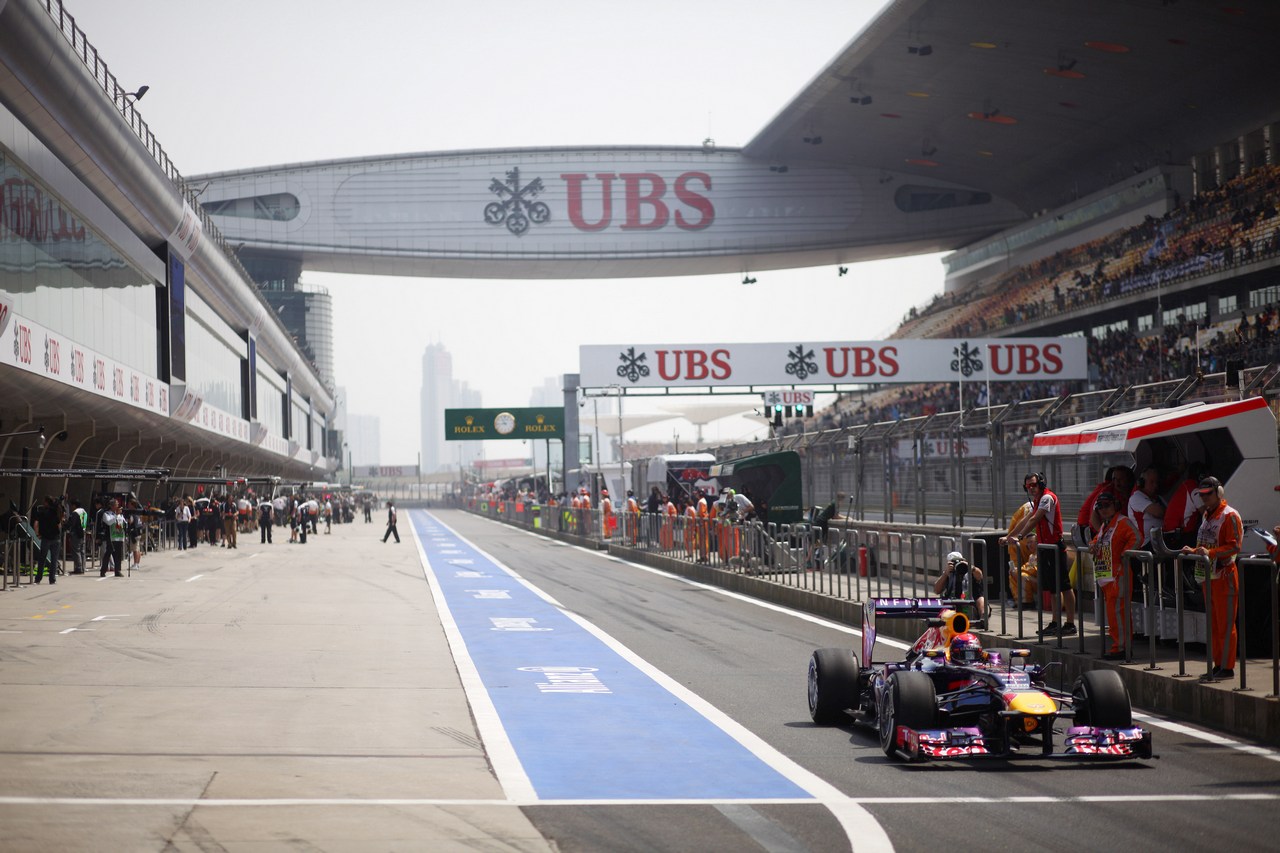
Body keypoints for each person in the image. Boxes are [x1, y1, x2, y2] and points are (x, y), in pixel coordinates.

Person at [1181, 476, 1243, 678]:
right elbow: (1206, 543)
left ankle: (1227, 667)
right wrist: (1193, 550)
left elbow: (1234, 546)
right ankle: (1218, 663)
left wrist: (1211, 554)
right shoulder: (1207, 515)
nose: (1204, 498)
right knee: (1214, 624)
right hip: (1208, 576)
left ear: (1218, 493)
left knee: (1225, 624)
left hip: (1224, 576)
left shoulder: (1230, 515)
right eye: (1202, 495)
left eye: (1208, 494)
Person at [1002, 472, 1075, 636]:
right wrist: (1008, 537)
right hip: (1045, 548)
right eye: (1028, 486)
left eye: (1034, 485)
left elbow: (1034, 520)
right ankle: (1056, 622)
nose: (1031, 489)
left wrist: (1019, 537)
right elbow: (1025, 519)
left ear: (1041, 483)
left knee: (1064, 585)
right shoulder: (1037, 500)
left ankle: (1070, 623)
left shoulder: (1047, 498)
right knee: (1053, 588)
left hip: (1055, 546)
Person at [1090, 489, 1138, 659]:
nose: (1103, 509)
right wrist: (1093, 544)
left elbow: (1137, 538)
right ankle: (1119, 646)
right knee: (1113, 613)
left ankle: (1122, 648)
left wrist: (1125, 553)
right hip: (1106, 577)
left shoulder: (1123, 522)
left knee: (1119, 613)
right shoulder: (1106, 524)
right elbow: (1099, 539)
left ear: (1115, 506)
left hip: (1119, 575)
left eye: (1106, 505)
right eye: (1100, 506)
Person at [934, 550, 986, 623]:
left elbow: (980, 576)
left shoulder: (971, 571)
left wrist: (971, 567)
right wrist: (945, 574)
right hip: (953, 606)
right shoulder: (947, 574)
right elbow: (936, 590)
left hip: (971, 605)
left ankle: (983, 618)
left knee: (981, 599)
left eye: (959, 561)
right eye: (954, 562)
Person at [31, 495, 63, 584]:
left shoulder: (42, 512)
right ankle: (52, 579)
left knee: (42, 559)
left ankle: (38, 578)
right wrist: (59, 535)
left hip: (45, 538)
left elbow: (36, 524)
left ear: (46, 503)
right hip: (55, 538)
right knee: (54, 559)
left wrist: (37, 534)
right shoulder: (56, 512)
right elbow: (59, 525)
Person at [100, 498, 126, 577]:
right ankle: (103, 570)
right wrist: (116, 515)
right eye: (116, 504)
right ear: (112, 506)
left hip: (119, 537)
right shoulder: (107, 514)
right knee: (108, 553)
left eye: (118, 504)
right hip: (111, 537)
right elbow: (109, 522)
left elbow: (124, 523)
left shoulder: (120, 514)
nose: (117, 506)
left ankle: (117, 570)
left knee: (118, 555)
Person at [67, 497, 89, 573]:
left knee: (76, 551)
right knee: (82, 551)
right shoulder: (84, 512)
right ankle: (83, 567)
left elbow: (72, 524)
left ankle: (78, 568)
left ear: (74, 505)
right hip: (83, 532)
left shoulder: (75, 513)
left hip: (76, 533)